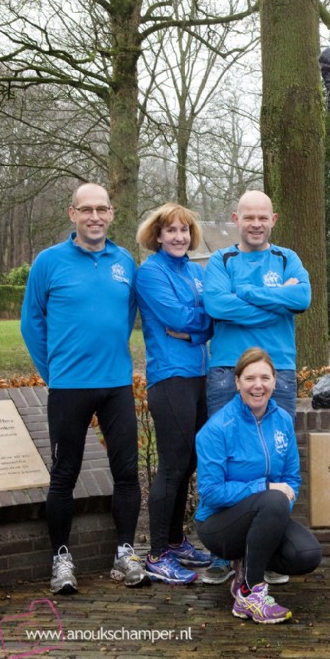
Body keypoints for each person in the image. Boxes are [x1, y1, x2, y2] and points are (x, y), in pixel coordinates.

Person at [21, 183, 148, 593]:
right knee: (64, 475)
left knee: (127, 474)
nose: (95, 216)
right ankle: (61, 559)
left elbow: (127, 314)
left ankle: (125, 554)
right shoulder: (49, 262)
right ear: (71, 213)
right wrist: (55, 371)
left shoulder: (124, 261)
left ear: (112, 213)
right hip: (69, 388)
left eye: (102, 209)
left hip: (116, 386)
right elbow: (31, 322)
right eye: (86, 209)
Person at [202, 189, 311, 584]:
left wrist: (246, 294)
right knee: (225, 457)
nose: (256, 223)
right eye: (248, 217)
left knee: (275, 459)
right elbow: (216, 306)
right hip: (227, 368)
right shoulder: (221, 259)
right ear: (236, 218)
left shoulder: (288, 259)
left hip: (278, 368)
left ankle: (262, 553)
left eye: (262, 217)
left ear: (273, 219)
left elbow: (302, 297)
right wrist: (274, 301)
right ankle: (221, 553)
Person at [195, 348, 322, 624]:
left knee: (307, 554)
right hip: (218, 526)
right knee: (273, 498)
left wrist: (273, 512)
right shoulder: (217, 428)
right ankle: (249, 593)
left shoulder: (283, 421)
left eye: (265, 377)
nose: (258, 385)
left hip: (263, 515)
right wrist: (265, 489)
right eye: (250, 378)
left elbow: (292, 481)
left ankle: (248, 564)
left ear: (275, 381)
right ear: (237, 381)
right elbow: (210, 493)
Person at [135, 203, 214, 584]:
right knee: (171, 466)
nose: (179, 237)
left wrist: (197, 330)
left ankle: (176, 539)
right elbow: (177, 318)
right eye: (171, 231)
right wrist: (199, 324)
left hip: (199, 375)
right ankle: (156, 554)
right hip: (170, 378)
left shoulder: (196, 273)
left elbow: (208, 317)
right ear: (158, 235)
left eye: (184, 230)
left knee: (189, 462)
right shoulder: (150, 272)